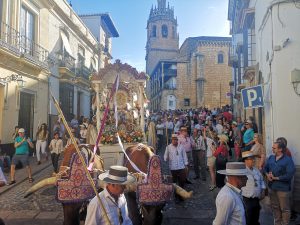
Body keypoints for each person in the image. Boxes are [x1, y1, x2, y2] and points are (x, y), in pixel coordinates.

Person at [264, 140, 295, 225]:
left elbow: (290, 174)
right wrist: (267, 175)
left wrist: (276, 178)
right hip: (272, 187)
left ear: (280, 149)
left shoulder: (288, 160)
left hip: (283, 189)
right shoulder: (271, 157)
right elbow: (265, 168)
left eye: (274, 148)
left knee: (285, 209)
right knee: (275, 207)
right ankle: (277, 223)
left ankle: (284, 223)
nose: (272, 149)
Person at [241, 151, 266, 225]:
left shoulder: (256, 170)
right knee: (248, 220)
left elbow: (261, 180)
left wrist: (263, 190)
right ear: (245, 160)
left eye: (253, 158)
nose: (254, 160)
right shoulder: (242, 171)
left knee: (255, 219)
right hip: (246, 200)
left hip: (256, 199)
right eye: (251, 159)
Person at [203, 127, 217, 191]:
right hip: (214, 158)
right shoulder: (215, 141)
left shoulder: (210, 140)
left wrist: (204, 130)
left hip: (211, 157)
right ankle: (214, 183)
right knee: (214, 171)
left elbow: (204, 137)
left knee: (211, 172)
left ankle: (213, 184)